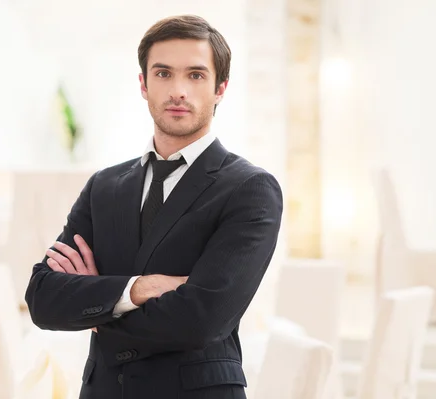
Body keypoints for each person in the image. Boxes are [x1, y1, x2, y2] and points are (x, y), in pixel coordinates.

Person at [25, 14, 283, 399]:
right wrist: (139, 289)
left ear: (220, 88)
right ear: (144, 85)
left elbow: (202, 320)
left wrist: (99, 303)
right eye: (163, 74)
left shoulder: (250, 188)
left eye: (195, 75)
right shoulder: (105, 186)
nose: (178, 90)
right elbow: (43, 299)